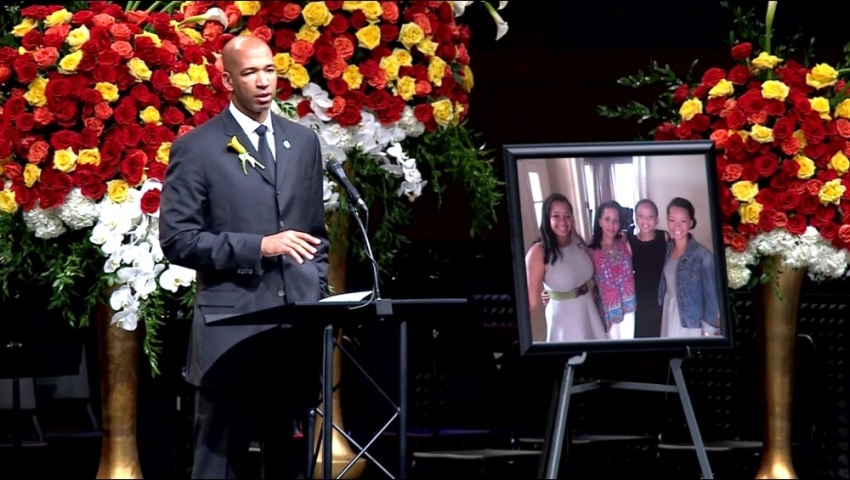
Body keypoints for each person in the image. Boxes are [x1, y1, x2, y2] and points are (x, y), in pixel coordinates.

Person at [159, 35, 329, 479]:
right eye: (250, 72)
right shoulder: (197, 148)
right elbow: (178, 239)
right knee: (220, 462)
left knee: (289, 461)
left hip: (293, 329)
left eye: (269, 70)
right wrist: (259, 246)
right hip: (229, 331)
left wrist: (317, 292)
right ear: (227, 79)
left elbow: (314, 236)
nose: (263, 82)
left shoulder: (302, 142)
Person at [526, 193, 606, 342]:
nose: (563, 221)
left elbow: (578, 271)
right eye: (556, 216)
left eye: (567, 216)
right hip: (564, 318)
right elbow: (530, 303)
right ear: (546, 218)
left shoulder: (577, 239)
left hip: (588, 309)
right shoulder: (538, 252)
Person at [658, 197, 721, 338]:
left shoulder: (703, 256)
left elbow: (711, 297)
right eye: (672, 220)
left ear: (691, 222)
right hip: (668, 313)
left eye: (683, 221)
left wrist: (708, 330)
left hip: (690, 321)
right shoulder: (666, 249)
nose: (677, 226)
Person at [586, 200, 636, 339]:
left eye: (616, 220)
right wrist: (550, 292)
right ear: (600, 221)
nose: (611, 225)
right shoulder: (590, 251)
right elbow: (579, 275)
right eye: (607, 219)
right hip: (608, 311)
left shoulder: (624, 243)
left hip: (629, 307)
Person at [626, 199, 669, 338]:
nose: (645, 220)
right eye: (641, 216)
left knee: (663, 333)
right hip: (642, 297)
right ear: (636, 218)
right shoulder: (629, 242)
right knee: (643, 335)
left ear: (656, 219)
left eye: (650, 216)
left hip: (662, 294)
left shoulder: (665, 237)